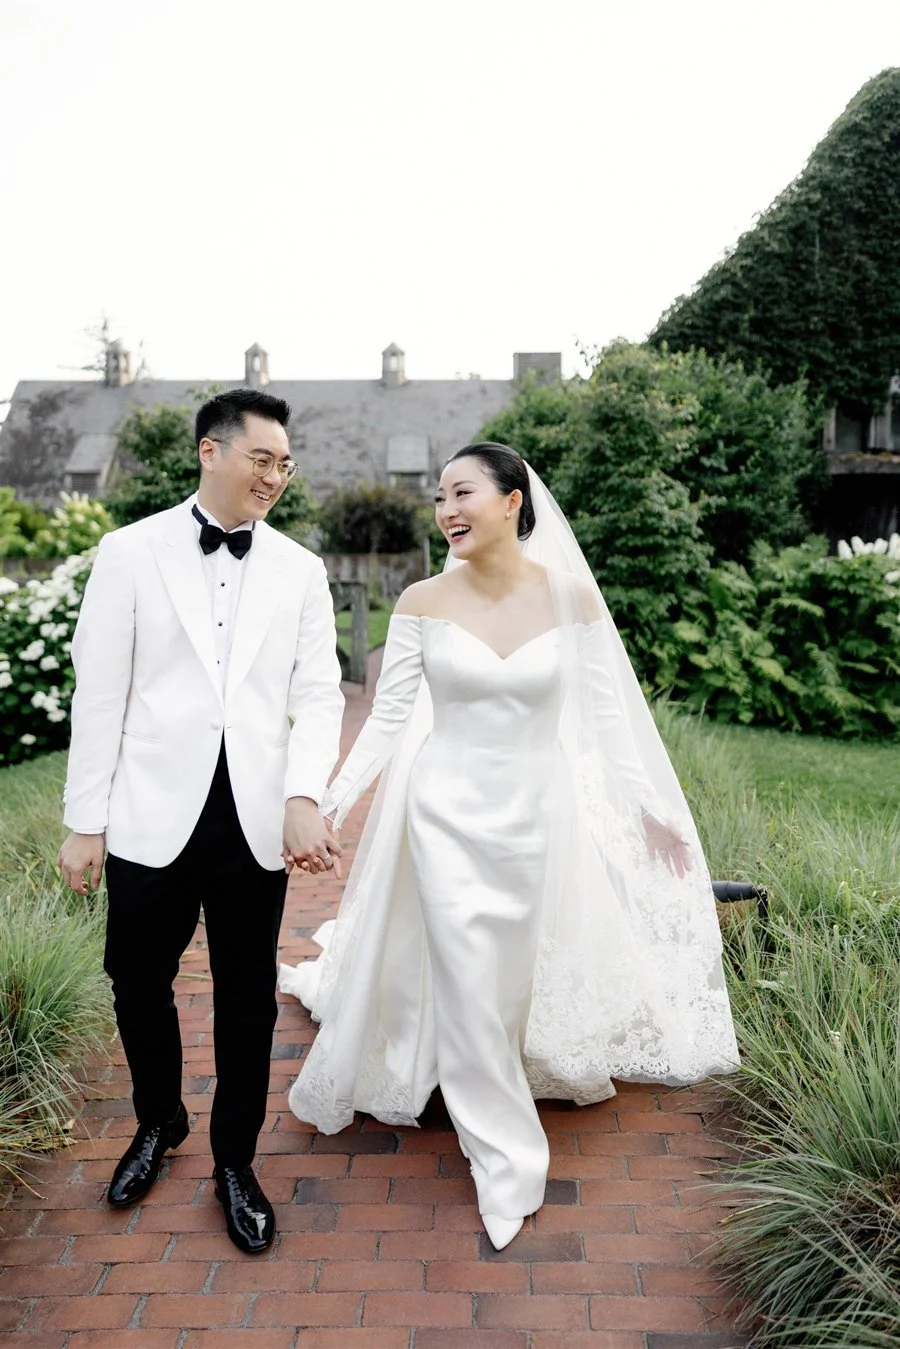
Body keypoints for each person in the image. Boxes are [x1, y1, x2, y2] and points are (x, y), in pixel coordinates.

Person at [281, 442, 739, 1251]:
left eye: (462, 492)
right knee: (463, 971)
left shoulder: (572, 599)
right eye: (437, 498)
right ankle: (506, 1158)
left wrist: (650, 814)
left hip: (536, 815)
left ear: (512, 502)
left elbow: (605, 723)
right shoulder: (422, 599)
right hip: (444, 811)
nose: (446, 510)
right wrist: (331, 805)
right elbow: (387, 722)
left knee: (504, 983)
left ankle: (472, 1071)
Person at [57, 389, 344, 1254]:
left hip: (254, 816)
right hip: (149, 812)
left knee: (246, 996)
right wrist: (84, 819)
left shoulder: (301, 568)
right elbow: (99, 689)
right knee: (135, 977)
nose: (276, 476)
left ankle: (235, 1160)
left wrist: (303, 794)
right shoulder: (129, 551)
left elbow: (318, 693)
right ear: (209, 453)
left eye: (286, 464)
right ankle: (157, 1122)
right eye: (263, 459)